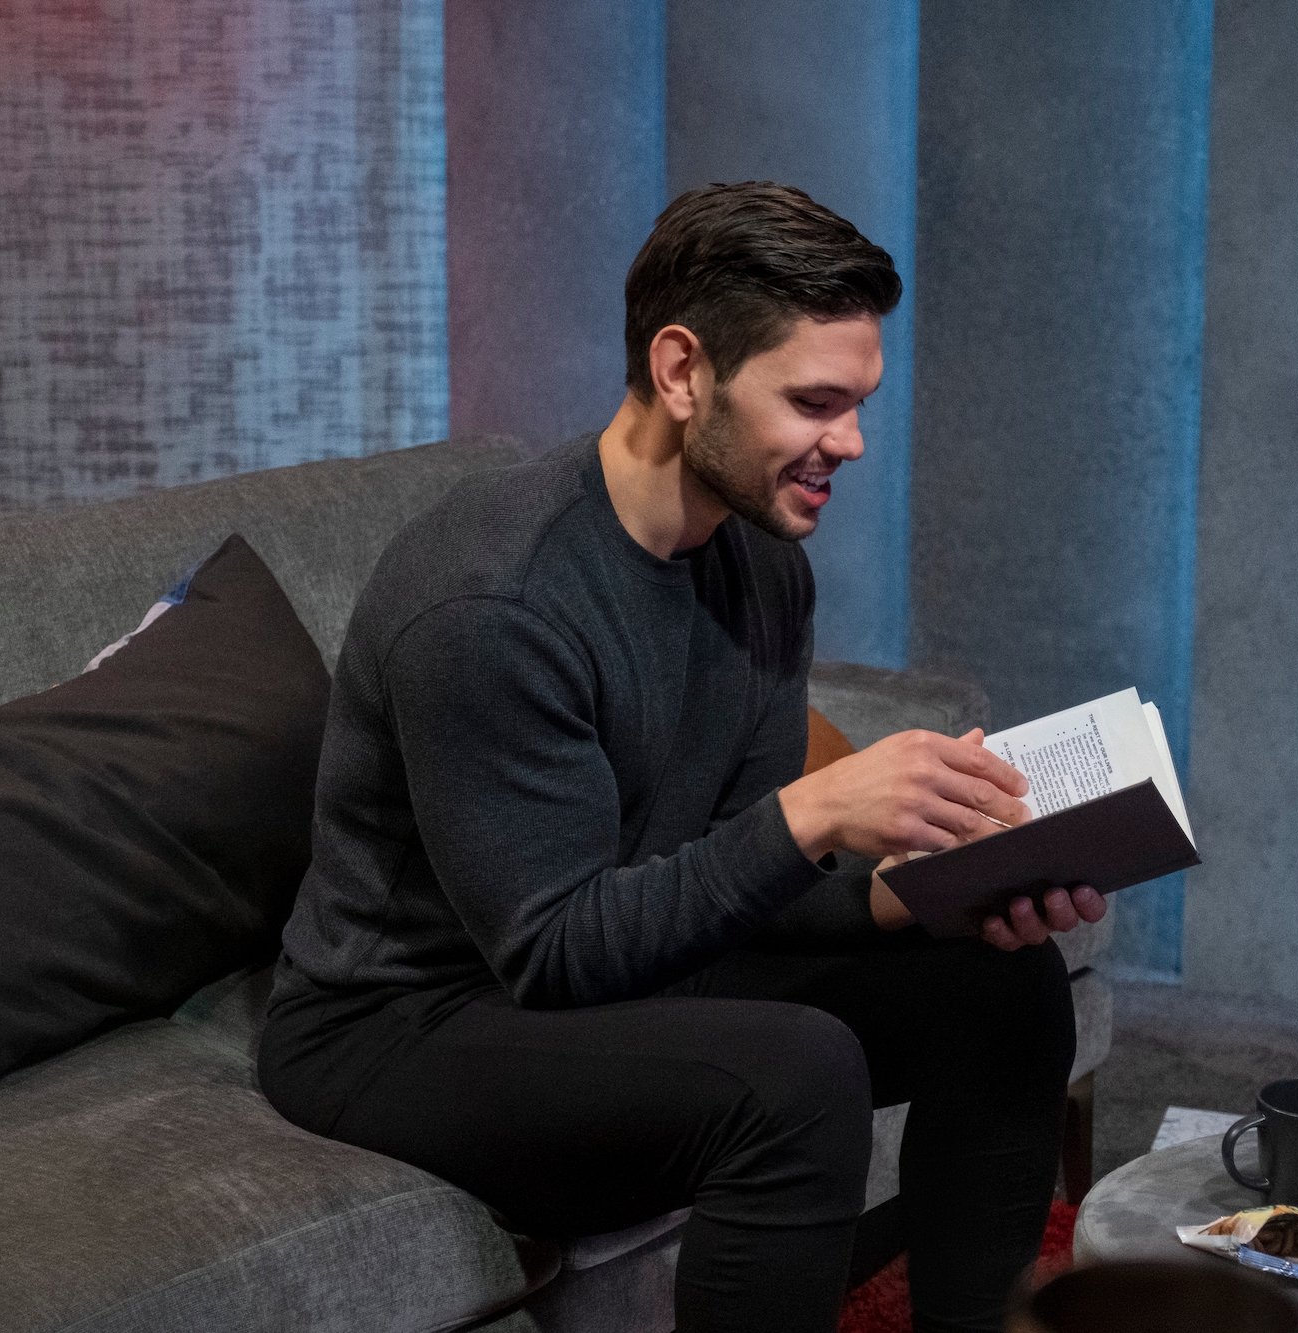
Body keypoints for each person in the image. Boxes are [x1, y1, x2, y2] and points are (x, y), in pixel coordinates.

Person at [258, 181, 1106, 1333]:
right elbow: (555, 952)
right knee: (791, 1078)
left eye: (856, 404)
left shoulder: (758, 566)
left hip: (608, 970)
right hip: (403, 1024)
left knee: (999, 983)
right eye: (813, 402)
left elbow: (724, 891)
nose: (848, 443)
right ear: (680, 371)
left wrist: (942, 892)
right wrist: (812, 816)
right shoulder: (492, 603)